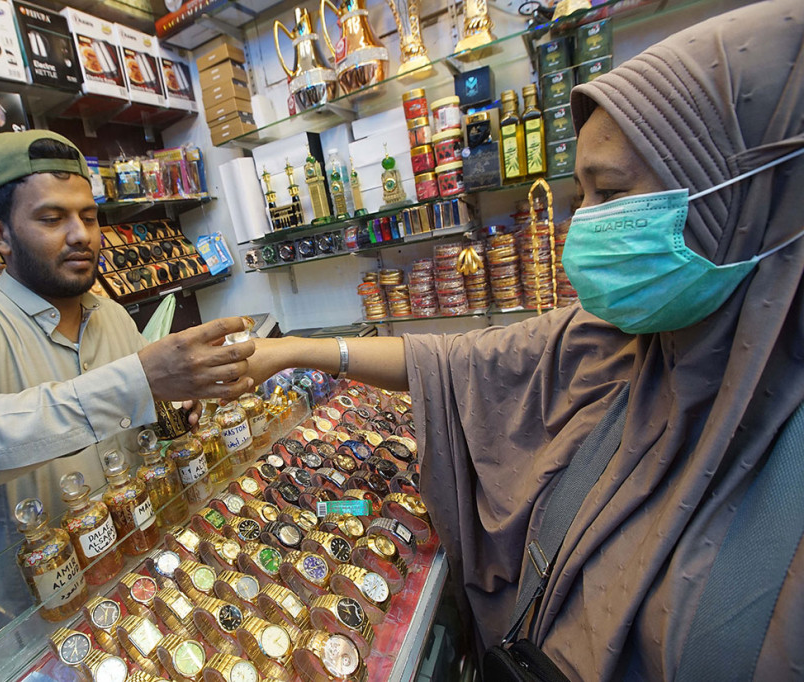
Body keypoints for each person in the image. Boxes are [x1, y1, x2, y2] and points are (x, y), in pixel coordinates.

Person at [247, 0, 804, 677]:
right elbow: (451, 362)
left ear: (744, 200)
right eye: (581, 195)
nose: (584, 227)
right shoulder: (623, 340)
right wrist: (299, 349)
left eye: (612, 193)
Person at [0, 129, 255, 636]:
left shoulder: (113, 316)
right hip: (40, 620)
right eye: (52, 219)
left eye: (89, 217)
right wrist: (134, 382)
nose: (82, 235)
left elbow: (140, 430)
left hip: (143, 577)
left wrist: (177, 412)